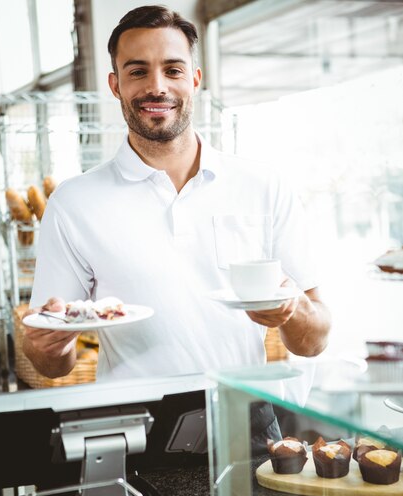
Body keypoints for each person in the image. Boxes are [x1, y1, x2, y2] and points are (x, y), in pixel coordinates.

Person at [23, 4, 331, 383]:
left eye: (173, 70)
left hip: (243, 416)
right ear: (115, 84)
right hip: (137, 426)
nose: (157, 87)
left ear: (195, 79)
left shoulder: (263, 186)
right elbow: (52, 366)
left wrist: (294, 309)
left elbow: (313, 342)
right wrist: (45, 345)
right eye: (138, 71)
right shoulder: (73, 202)